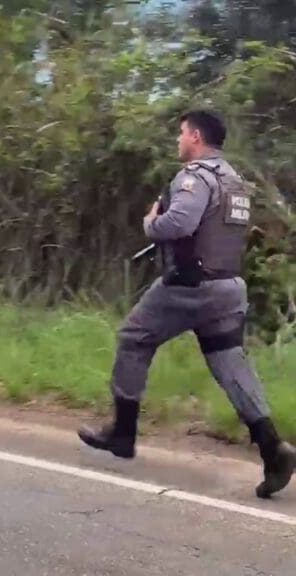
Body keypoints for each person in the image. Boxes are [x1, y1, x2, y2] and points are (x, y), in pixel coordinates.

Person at [78, 110, 295, 498]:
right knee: (230, 365)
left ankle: (123, 434)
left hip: (188, 287)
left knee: (132, 337)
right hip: (228, 287)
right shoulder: (235, 182)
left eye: (180, 134)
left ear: (195, 136)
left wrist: (150, 223)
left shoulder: (195, 177)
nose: (177, 141)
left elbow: (178, 224)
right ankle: (273, 448)